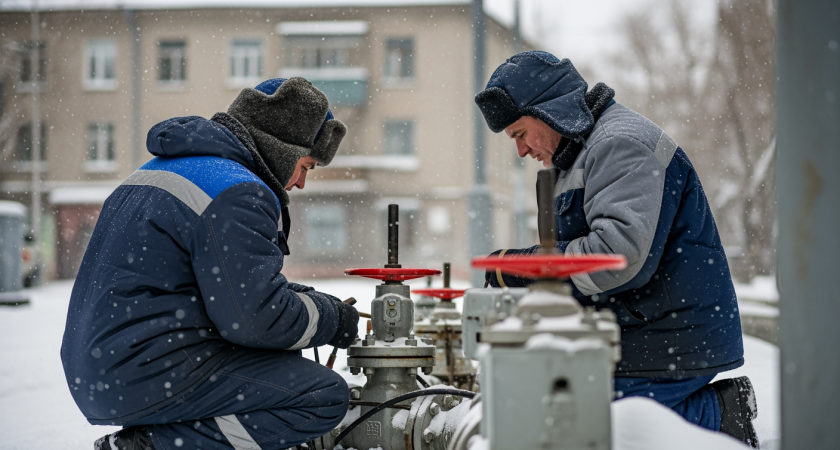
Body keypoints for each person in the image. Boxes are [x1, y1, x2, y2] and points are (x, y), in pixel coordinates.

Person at [475, 51, 759, 448]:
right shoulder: (582, 154)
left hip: (670, 336)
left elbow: (616, 256)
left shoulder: (619, 143)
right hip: (644, 325)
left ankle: (721, 415)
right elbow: (579, 250)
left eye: (520, 133)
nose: (521, 151)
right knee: (554, 400)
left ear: (549, 110)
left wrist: (520, 268)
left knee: (586, 418)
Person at [61, 77, 360, 450]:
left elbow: (216, 290)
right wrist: (333, 320)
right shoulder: (238, 190)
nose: (300, 183)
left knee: (280, 361)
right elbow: (257, 322)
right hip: (147, 371)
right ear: (282, 148)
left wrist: (305, 300)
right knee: (321, 396)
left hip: (107, 366)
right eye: (306, 166)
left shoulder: (167, 170)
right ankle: (149, 447)